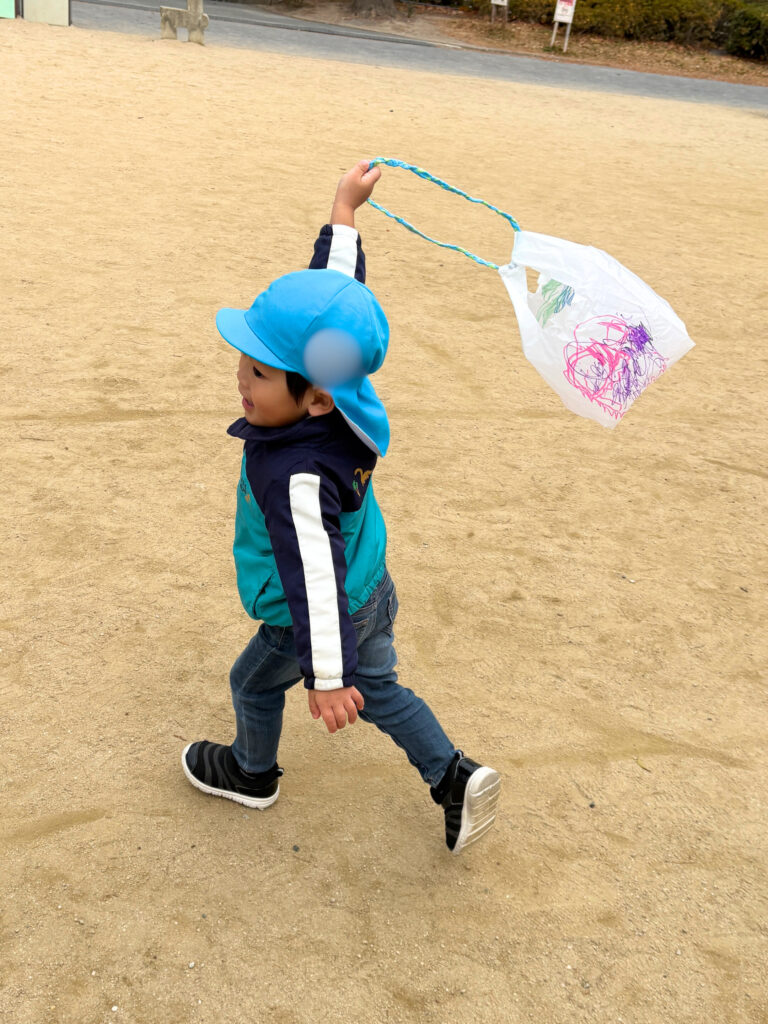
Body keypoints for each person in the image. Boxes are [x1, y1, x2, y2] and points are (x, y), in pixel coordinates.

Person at [182, 160, 500, 854]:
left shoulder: (293, 469)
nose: (241, 376)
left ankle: (250, 771)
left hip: (324, 607)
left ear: (315, 396)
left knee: (254, 683)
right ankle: (453, 776)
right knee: (379, 685)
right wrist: (343, 212)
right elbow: (336, 297)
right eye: (242, 358)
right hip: (372, 585)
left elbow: (310, 569)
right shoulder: (344, 386)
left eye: (261, 372)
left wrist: (324, 676)